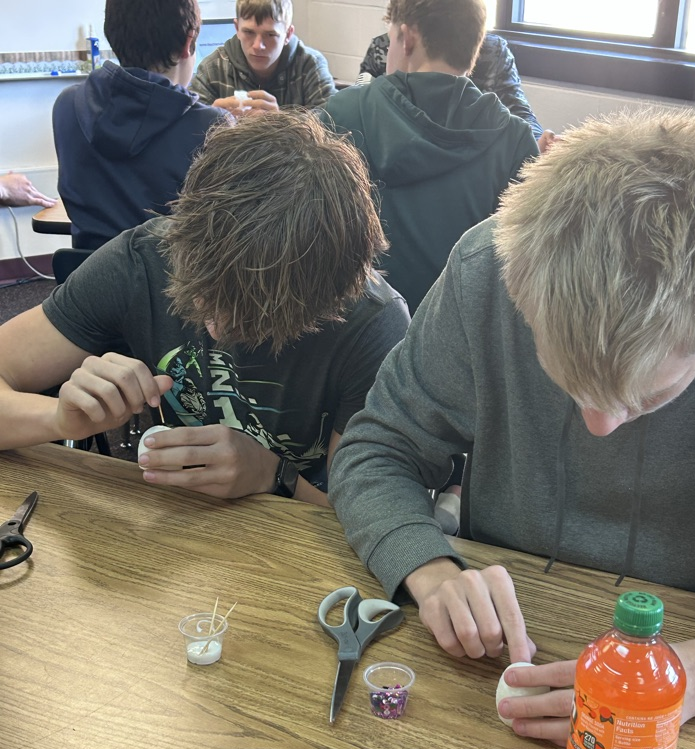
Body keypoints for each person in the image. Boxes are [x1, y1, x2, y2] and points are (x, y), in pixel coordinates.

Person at [328, 109, 695, 742]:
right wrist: (430, 568)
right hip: (485, 672)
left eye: (642, 397)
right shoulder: (487, 273)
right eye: (565, 382)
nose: (600, 426)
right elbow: (377, 446)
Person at [0, 111, 410, 505]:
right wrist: (57, 419)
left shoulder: (372, 323)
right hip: (177, 530)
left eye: (254, 317)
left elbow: (370, 516)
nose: (215, 329)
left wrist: (272, 475)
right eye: (201, 293)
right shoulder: (143, 261)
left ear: (324, 304)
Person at [320, 0, 538, 314]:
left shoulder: (338, 115)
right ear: (472, 47)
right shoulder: (516, 141)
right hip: (459, 342)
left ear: (406, 38)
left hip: (356, 338)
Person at [52, 0, 226, 250]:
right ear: (188, 43)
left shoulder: (66, 106)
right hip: (170, 286)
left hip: (85, 283)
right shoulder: (211, 126)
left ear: (111, 33)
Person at [360, 31, 544, 140]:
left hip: (472, 156)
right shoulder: (384, 47)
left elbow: (519, 110)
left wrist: (537, 140)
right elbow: (361, 107)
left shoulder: (493, 50)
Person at [190, 0, 336, 115]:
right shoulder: (212, 68)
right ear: (237, 29)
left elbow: (334, 128)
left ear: (288, 34)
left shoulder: (310, 65)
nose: (258, 45)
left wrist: (282, 125)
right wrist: (208, 119)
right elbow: (187, 134)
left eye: (270, 35)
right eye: (249, 32)